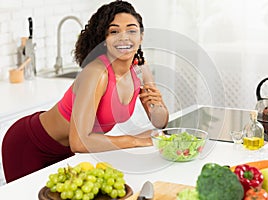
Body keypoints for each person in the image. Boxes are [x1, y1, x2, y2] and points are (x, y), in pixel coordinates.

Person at [2, 0, 169, 183]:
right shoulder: (97, 73)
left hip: (68, 151)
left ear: (141, 36)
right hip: (30, 145)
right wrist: (136, 140)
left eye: (131, 30)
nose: (124, 37)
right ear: (104, 40)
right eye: (114, 31)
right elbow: (79, 142)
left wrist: (157, 105)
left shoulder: (140, 69)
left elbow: (159, 123)